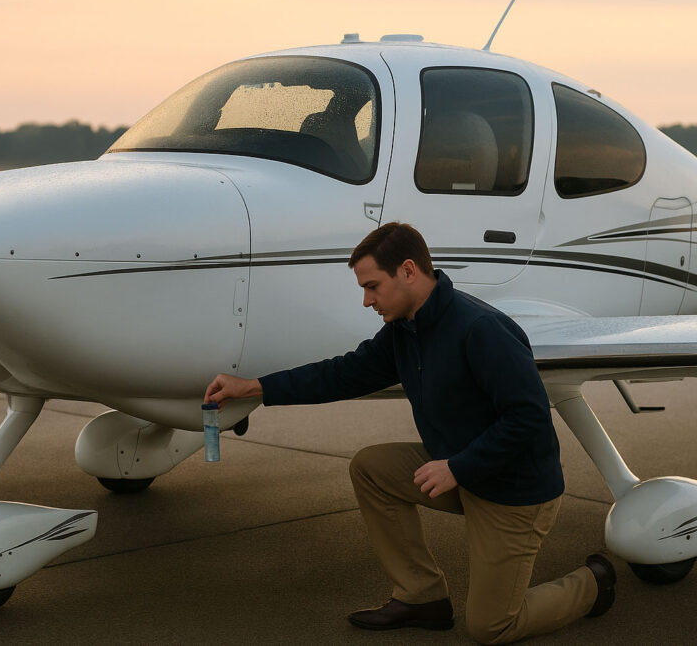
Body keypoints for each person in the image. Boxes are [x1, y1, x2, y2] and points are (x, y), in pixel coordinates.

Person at [204, 222, 614, 644]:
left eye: (372, 286)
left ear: (408, 271)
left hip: (513, 494)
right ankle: (422, 597)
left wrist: (458, 467)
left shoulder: (481, 329)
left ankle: (593, 583)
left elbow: (528, 419)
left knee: (492, 626)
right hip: (458, 471)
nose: (366, 300)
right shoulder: (407, 329)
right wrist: (254, 387)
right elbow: (342, 374)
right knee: (371, 468)